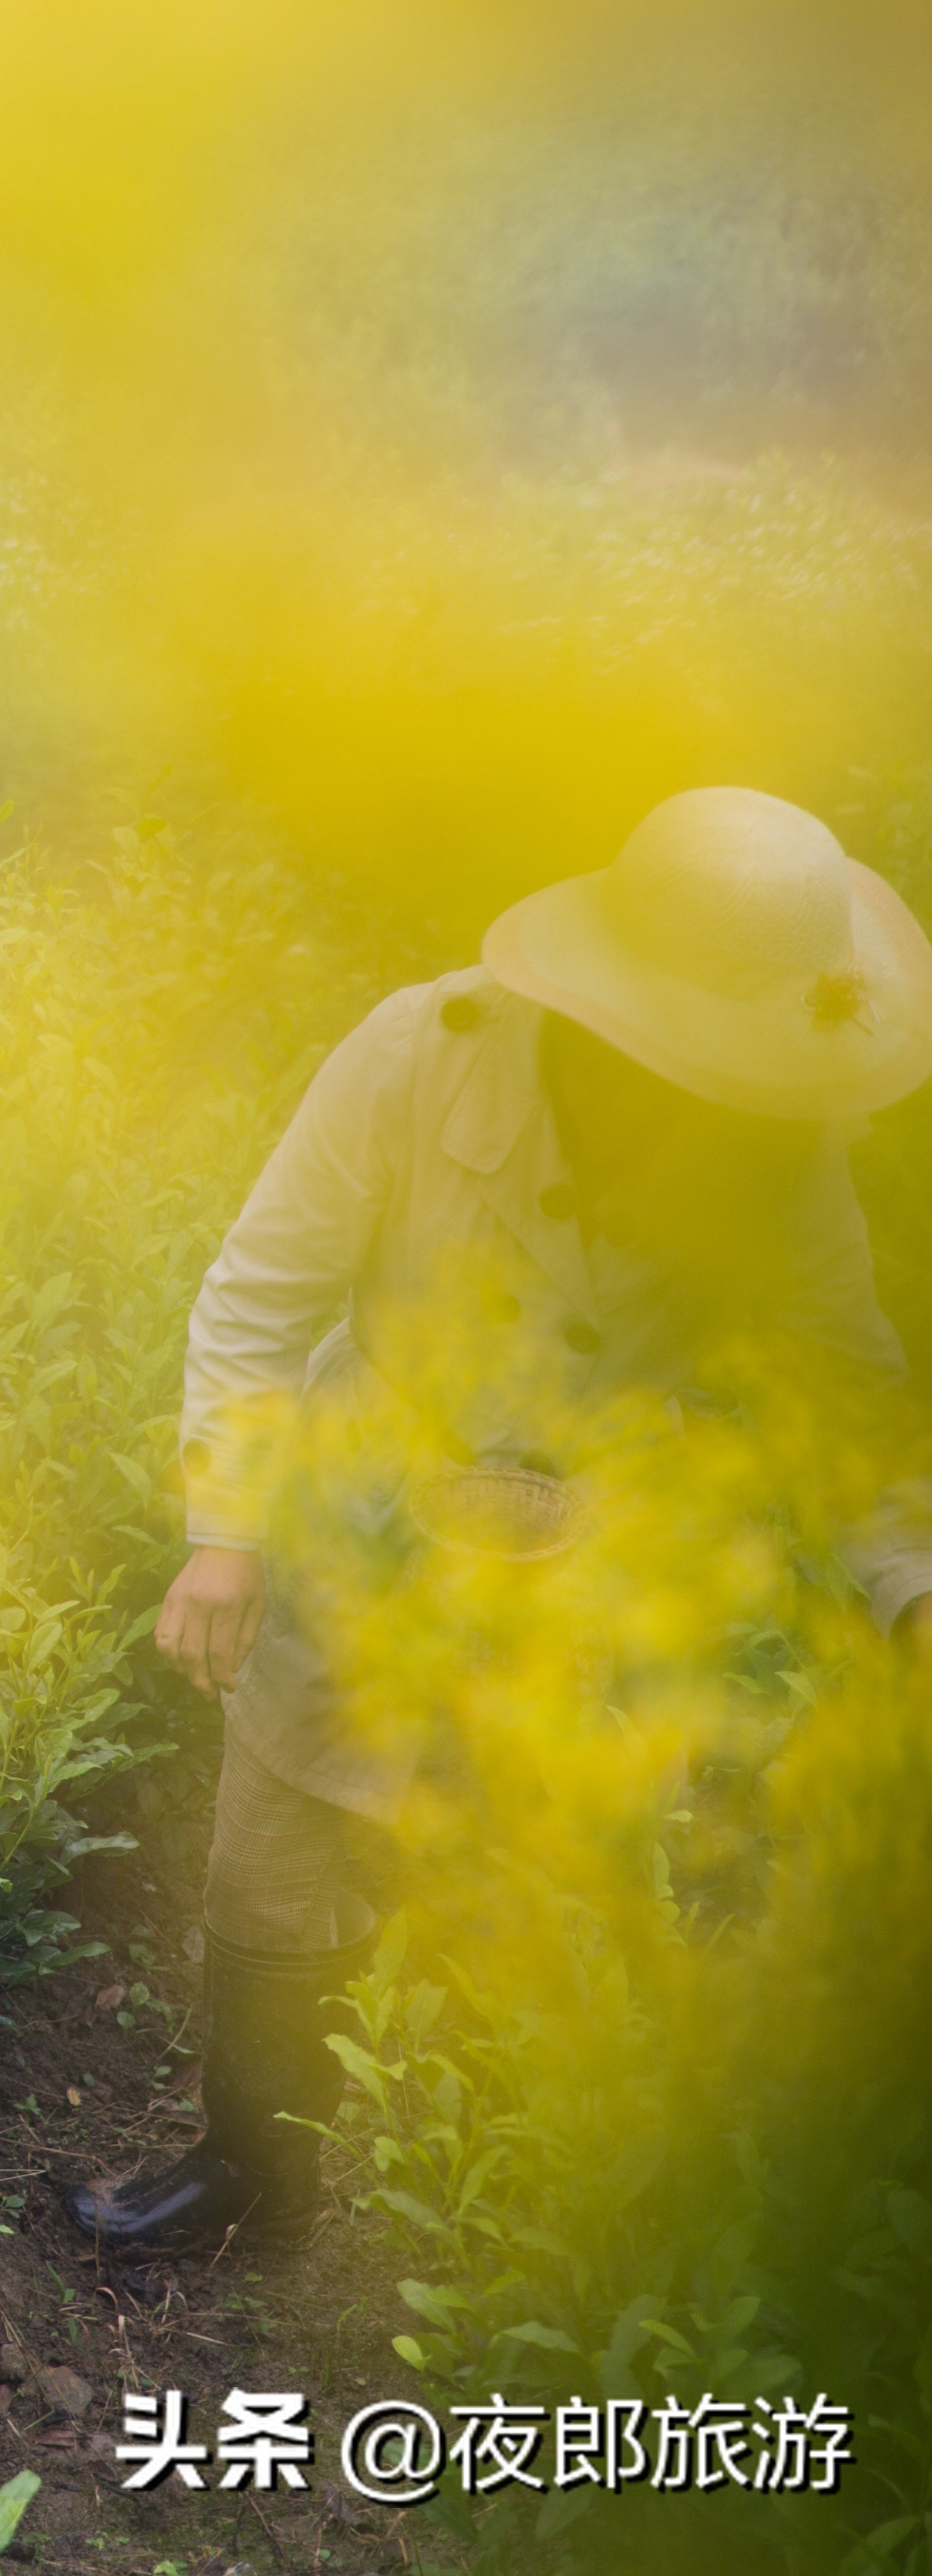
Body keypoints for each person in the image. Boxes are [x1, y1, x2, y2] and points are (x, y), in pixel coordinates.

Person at [72, 785, 932, 2258]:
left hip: (591, 1551)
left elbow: (846, 1402)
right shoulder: (421, 1049)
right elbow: (262, 1291)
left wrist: (909, 1586)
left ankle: (486, 2234)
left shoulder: (780, 1155)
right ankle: (251, 2178)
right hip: (367, 1494)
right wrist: (230, 1531)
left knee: (537, 1886)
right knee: (276, 1849)